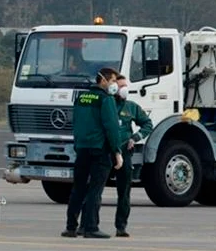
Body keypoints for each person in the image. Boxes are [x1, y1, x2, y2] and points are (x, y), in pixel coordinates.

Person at [65, 67, 125, 238]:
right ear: (103, 80)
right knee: (95, 190)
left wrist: (78, 145)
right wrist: (116, 151)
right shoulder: (106, 100)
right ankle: (90, 227)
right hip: (100, 149)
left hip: (82, 148)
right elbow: (112, 127)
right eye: (113, 81)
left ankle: (71, 227)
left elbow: (76, 123)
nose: (115, 85)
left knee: (78, 188)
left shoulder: (81, 97)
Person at [112, 76, 154, 238]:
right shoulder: (107, 106)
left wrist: (135, 138)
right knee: (94, 189)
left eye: (126, 86)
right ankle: (89, 224)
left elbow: (147, 124)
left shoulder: (131, 107)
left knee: (124, 192)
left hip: (124, 153)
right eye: (121, 85)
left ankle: (121, 226)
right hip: (107, 153)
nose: (125, 89)